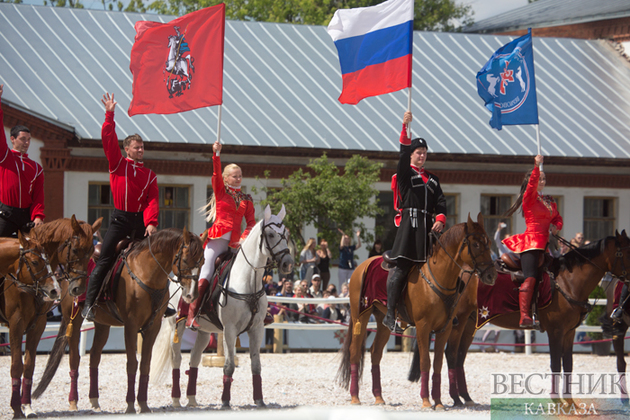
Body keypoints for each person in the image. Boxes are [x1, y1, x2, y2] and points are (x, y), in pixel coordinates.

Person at [82, 92, 159, 321]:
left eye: (142, 146)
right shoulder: (117, 164)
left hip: (139, 222)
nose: (140, 150)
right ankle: (89, 302)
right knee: (105, 258)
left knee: (156, 258)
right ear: (127, 149)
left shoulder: (150, 175)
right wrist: (109, 114)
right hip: (120, 220)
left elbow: (152, 201)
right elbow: (107, 139)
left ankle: (160, 302)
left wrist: (152, 223)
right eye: (136, 147)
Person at [382, 111, 446, 333]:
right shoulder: (405, 174)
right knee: (400, 268)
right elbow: (401, 156)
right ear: (411, 155)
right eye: (418, 153)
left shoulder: (434, 180)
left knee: (448, 265)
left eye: (425, 153)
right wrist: (405, 128)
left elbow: (441, 202)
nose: (422, 156)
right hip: (410, 226)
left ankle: (448, 311)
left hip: (429, 228)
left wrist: (440, 218)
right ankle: (391, 314)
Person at [186, 140, 256, 328]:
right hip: (217, 239)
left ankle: (256, 312)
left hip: (236, 243)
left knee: (250, 273)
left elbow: (251, 222)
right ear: (226, 179)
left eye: (240, 176)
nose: (239, 179)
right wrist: (216, 155)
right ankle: (192, 314)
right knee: (207, 270)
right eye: (234, 176)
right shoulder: (221, 191)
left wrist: (245, 236)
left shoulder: (246, 199)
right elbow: (216, 173)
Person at [502, 155, 563, 328]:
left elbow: (557, 218)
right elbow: (531, 184)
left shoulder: (549, 200)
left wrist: (556, 226)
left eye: (544, 178)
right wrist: (536, 166)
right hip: (531, 243)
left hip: (545, 245)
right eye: (539, 178)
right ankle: (524, 316)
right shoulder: (529, 197)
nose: (542, 181)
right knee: (530, 277)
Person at [0, 84, 45, 237]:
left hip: (26, 218)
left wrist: (38, 216)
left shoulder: (36, 168)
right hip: (5, 215)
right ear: (12, 139)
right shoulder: (5, 157)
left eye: (29, 139)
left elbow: (38, 196)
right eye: (22, 139)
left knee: (39, 253)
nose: (26, 143)